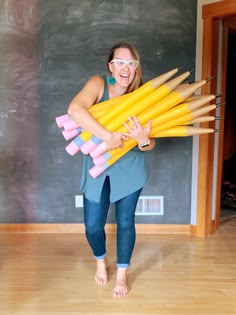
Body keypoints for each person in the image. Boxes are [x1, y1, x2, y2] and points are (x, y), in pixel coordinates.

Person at [67, 42, 156, 297]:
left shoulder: (144, 96)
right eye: (120, 62)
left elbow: (151, 143)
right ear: (110, 65)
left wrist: (142, 140)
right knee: (93, 226)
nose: (125, 68)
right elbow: (74, 110)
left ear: (136, 67)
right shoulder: (98, 84)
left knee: (126, 222)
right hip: (97, 167)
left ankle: (122, 275)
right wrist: (106, 136)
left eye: (131, 63)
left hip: (130, 168)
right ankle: (100, 260)